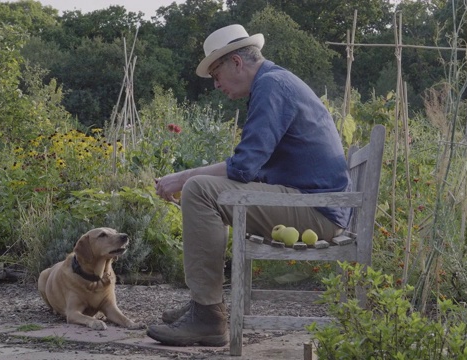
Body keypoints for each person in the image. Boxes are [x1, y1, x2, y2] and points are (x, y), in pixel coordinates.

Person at [146, 24, 351, 347]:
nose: (216, 85)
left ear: (237, 63)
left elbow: (243, 168)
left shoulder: (272, 87)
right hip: (315, 204)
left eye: (216, 75)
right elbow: (250, 168)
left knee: (200, 189)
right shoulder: (275, 82)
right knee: (203, 187)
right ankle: (205, 304)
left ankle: (208, 316)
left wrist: (183, 177)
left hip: (314, 211)